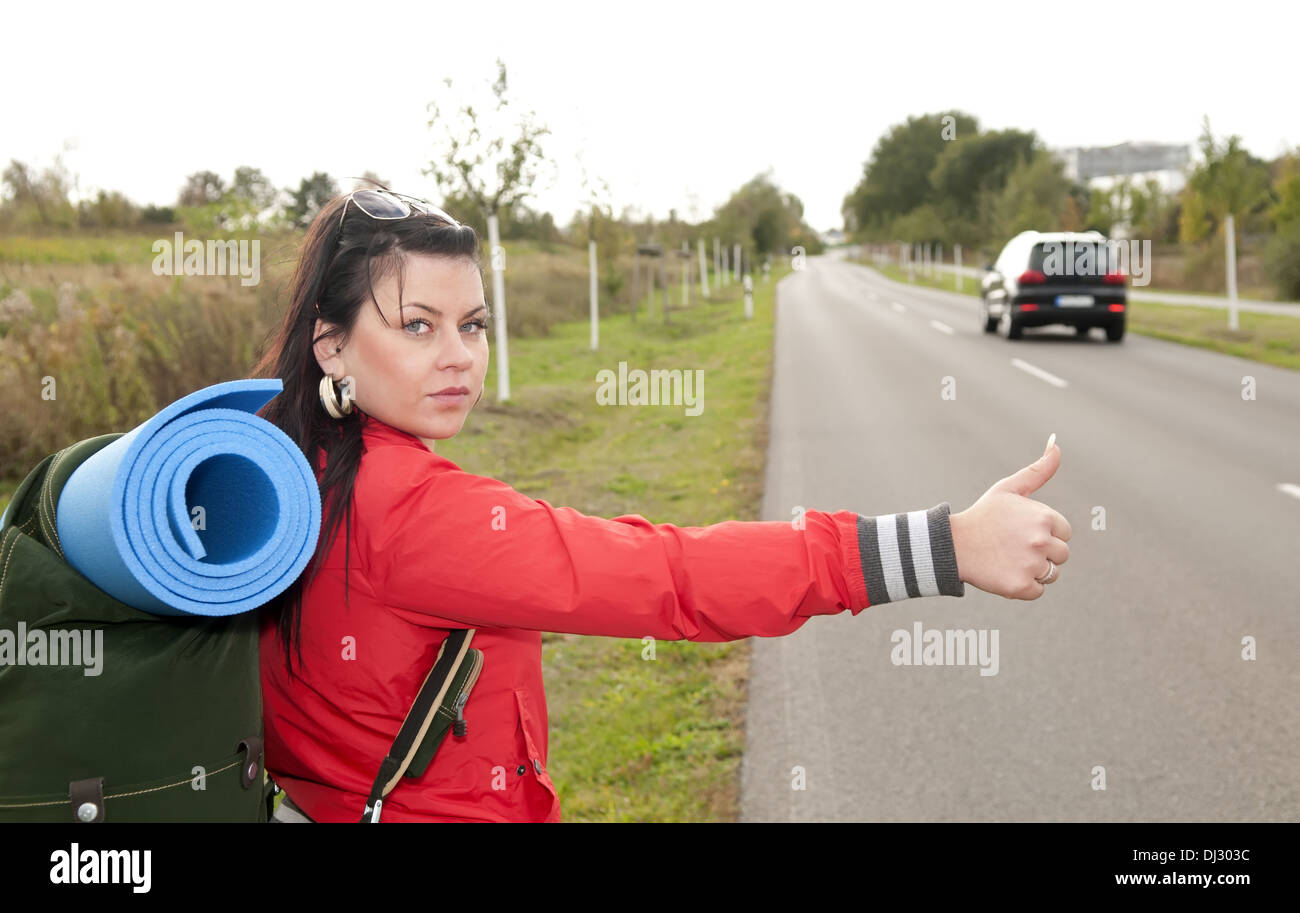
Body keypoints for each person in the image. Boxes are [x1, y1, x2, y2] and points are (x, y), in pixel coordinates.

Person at [253, 187, 1071, 823]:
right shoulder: (413, 513)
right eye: (418, 327)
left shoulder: (280, 466)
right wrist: (944, 545)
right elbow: (671, 576)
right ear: (332, 342)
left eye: (472, 323)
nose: (460, 356)